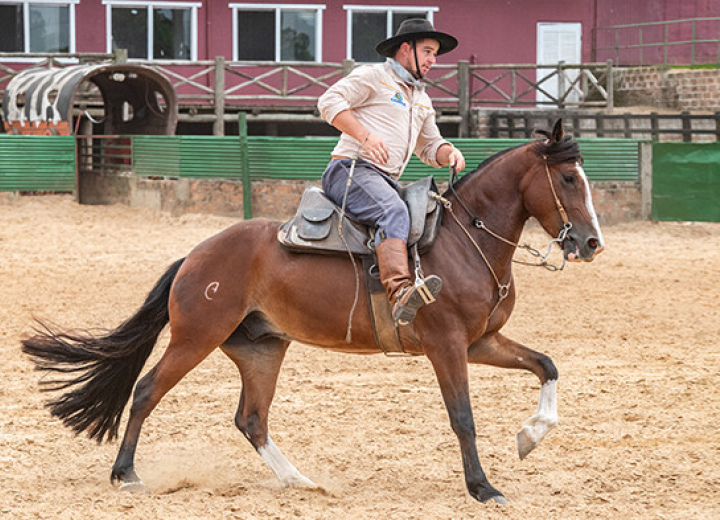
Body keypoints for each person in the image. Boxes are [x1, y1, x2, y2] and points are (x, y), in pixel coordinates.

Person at [317, 18, 466, 326]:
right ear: (404, 49)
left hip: (383, 179)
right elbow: (328, 101)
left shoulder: (421, 99)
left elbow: (429, 147)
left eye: (435, 54)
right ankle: (399, 294)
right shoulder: (373, 76)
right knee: (393, 210)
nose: (432, 61)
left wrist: (449, 152)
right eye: (427, 51)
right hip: (350, 169)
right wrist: (365, 136)